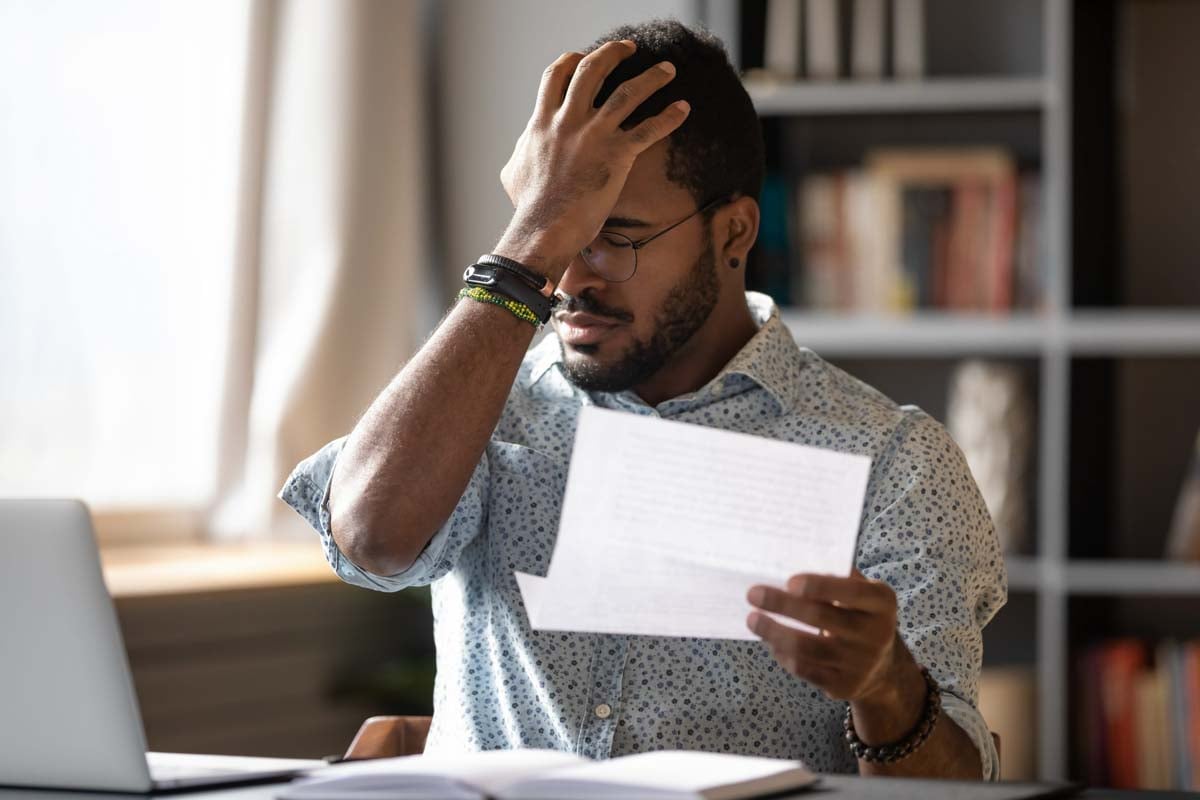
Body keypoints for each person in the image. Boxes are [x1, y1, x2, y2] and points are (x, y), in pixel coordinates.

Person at [280, 19, 1007, 780]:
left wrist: (888, 687)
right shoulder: (484, 409)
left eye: (613, 236)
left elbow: (954, 795)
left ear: (733, 234)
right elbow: (370, 537)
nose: (571, 281)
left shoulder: (892, 463)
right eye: (560, 234)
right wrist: (530, 241)